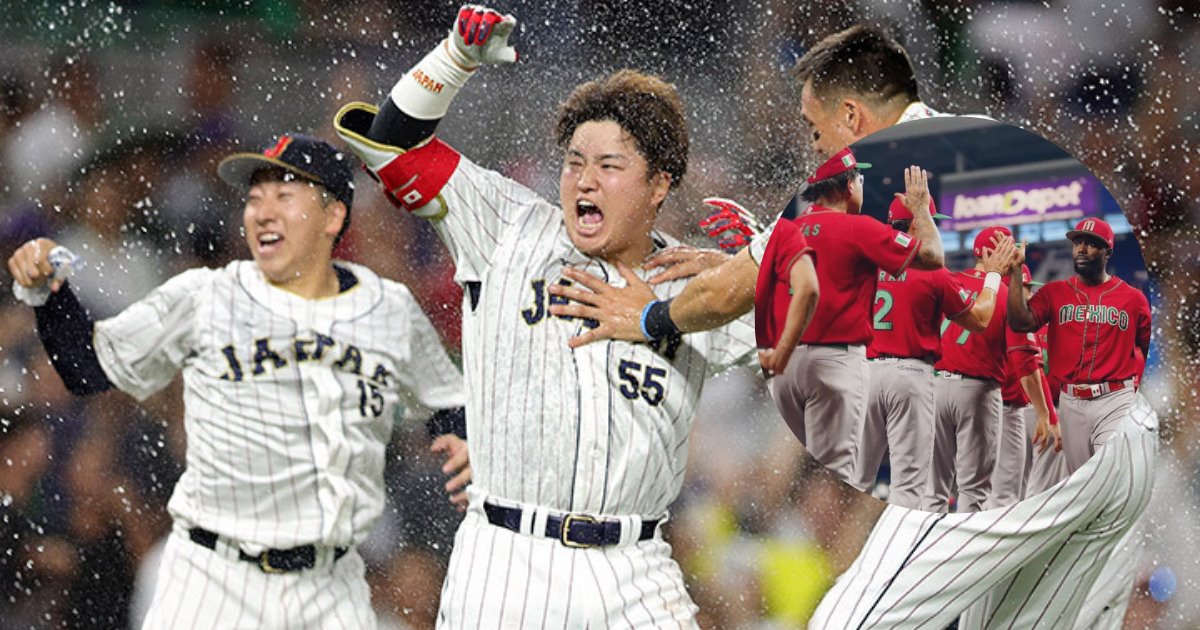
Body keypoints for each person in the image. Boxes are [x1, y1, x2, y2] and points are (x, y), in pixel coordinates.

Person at [553, 22, 1156, 628]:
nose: (815, 148)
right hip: (1118, 440)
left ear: (852, 116)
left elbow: (733, 293)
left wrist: (651, 315)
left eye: (817, 130)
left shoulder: (874, 167)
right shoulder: (979, 146)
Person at [333, 5, 762, 626]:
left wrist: (765, 268)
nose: (584, 181)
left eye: (610, 166)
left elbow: (821, 332)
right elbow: (390, 141)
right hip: (508, 560)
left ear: (659, 184)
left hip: (635, 568)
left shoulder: (702, 284)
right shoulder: (506, 226)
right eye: (573, 163)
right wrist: (455, 57)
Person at [7, 133, 468, 628]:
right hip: (214, 577)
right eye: (254, 198)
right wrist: (48, 294)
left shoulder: (389, 309)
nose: (262, 211)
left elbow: (448, 401)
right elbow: (86, 367)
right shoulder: (206, 297)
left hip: (329, 584)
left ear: (333, 216)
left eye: (283, 196)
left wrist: (462, 440)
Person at [761, 149, 945, 484]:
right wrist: (920, 208)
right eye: (859, 177)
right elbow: (932, 257)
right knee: (837, 479)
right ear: (848, 186)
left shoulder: (785, 231)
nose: (862, 183)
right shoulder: (858, 228)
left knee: (786, 477)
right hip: (834, 362)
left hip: (780, 367)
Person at [854, 197, 1010, 509]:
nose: (933, 226)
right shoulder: (934, 271)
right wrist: (993, 276)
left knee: (856, 477)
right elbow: (979, 319)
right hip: (911, 375)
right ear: (916, 223)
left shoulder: (865, 264)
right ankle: (902, 554)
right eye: (929, 219)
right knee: (910, 487)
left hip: (863, 372)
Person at [1007, 218, 1151, 473]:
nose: (1082, 249)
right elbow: (1020, 323)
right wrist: (1016, 273)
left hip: (1115, 397)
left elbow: (1144, 348)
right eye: (1078, 243)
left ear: (1108, 251)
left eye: (1091, 244)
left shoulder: (1133, 299)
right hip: (1070, 401)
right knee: (1081, 481)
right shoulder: (1054, 293)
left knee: (1110, 473)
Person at [921, 225, 1036, 513]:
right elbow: (1024, 356)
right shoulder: (1008, 295)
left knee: (932, 489)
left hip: (933, 385)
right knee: (974, 492)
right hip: (977, 391)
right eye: (1008, 251)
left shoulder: (947, 281)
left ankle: (928, 551)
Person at [991, 263, 1060, 507]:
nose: (1030, 294)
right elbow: (1032, 369)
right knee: (1012, 491)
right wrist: (1050, 415)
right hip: (1013, 409)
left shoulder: (985, 308)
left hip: (983, 405)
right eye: (1025, 288)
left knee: (990, 487)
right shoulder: (1020, 319)